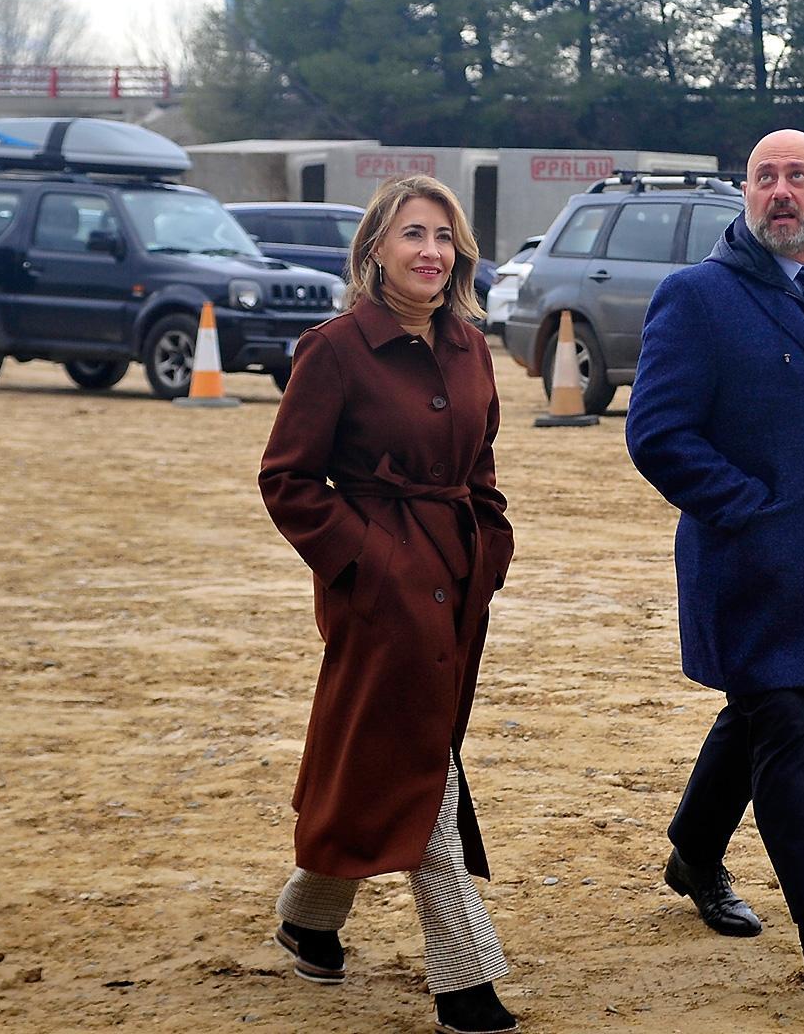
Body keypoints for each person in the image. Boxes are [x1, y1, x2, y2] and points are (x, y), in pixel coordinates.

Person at [625, 129, 804, 996]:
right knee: (786, 720)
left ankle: (694, 852)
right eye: (764, 178)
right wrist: (745, 508)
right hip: (744, 566)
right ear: (744, 196)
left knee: (757, 711)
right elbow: (657, 434)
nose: (780, 191)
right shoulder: (697, 298)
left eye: (798, 177)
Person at [258, 174, 520, 1034]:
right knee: (422, 764)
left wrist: (493, 541)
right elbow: (288, 480)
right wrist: (368, 566)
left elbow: (480, 467)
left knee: (389, 751)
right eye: (413, 235)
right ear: (375, 249)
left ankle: (310, 914)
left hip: (459, 576)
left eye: (445, 239)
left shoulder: (471, 346)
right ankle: (466, 982)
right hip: (379, 588)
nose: (431, 253)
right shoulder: (333, 349)